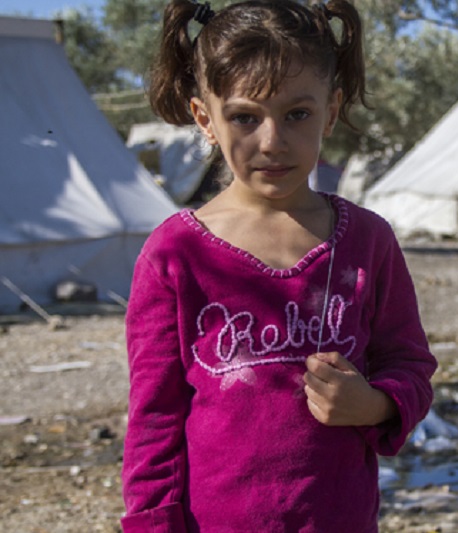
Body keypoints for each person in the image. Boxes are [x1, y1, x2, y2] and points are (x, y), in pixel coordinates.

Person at [120, 1, 437, 531]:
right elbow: (154, 421)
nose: (272, 141)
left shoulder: (366, 241)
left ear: (331, 111)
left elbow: (411, 366)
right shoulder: (175, 255)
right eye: (245, 116)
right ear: (205, 119)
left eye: (297, 114)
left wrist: (376, 404)